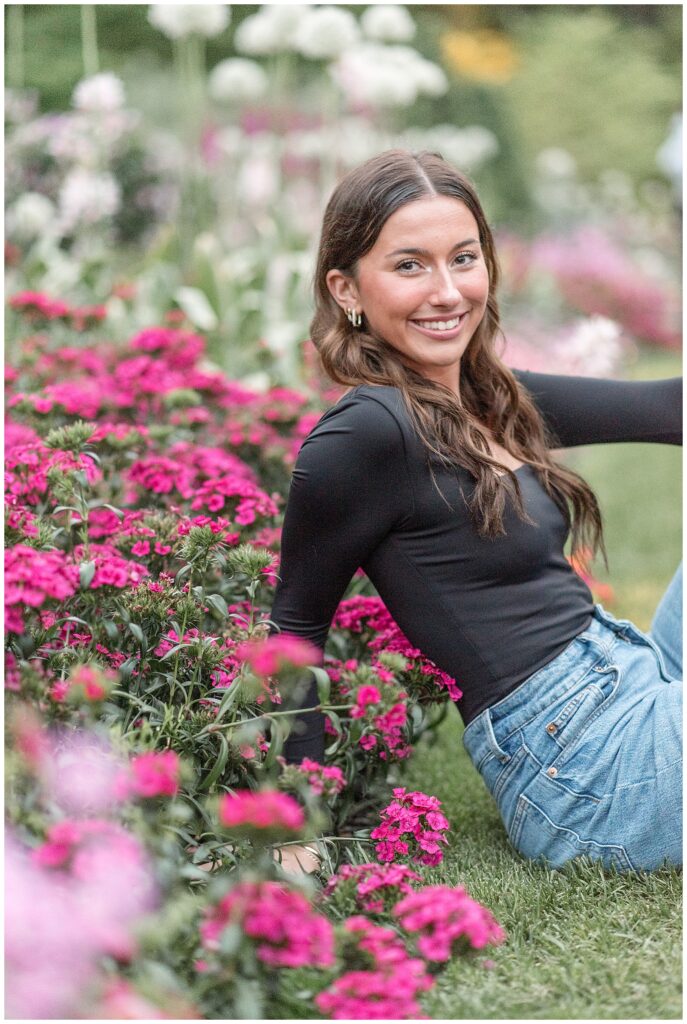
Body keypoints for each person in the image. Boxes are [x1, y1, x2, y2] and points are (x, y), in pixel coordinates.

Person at [267, 149, 682, 875]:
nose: (446, 291)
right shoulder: (364, 436)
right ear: (345, 288)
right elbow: (294, 629)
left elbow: (668, 407)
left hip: (640, 683)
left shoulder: (489, 397)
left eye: (463, 258)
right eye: (409, 266)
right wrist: (299, 824)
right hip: (584, 774)